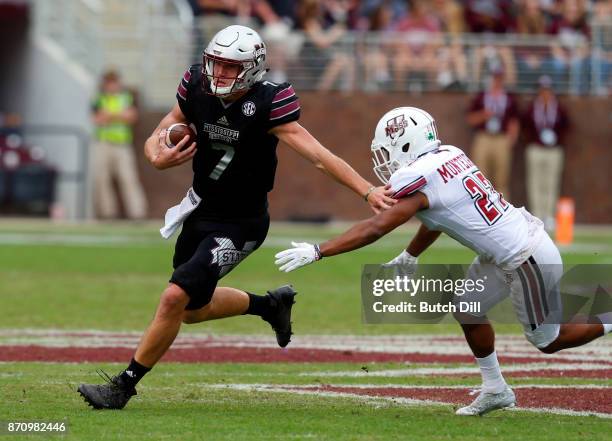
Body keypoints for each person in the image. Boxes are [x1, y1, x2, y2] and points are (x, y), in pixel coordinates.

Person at [77, 25, 394, 410]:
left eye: (229, 67)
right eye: (215, 64)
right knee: (192, 311)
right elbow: (162, 129)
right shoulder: (196, 83)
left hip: (241, 222)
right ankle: (270, 306)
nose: (218, 74)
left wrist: (366, 189)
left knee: (174, 296)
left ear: (253, 69)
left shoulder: (269, 101)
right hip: (200, 209)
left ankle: (122, 387)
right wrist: (154, 154)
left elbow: (317, 154)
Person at [274, 106, 611, 416]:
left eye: (389, 148)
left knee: (548, 341)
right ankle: (495, 389)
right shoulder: (450, 154)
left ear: (406, 144)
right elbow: (438, 215)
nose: (385, 157)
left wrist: (319, 250)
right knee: (467, 305)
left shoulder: (422, 176)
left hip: (525, 257)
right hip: (510, 248)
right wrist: (410, 254)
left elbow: (378, 227)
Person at [92, 70, 148, 219]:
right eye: (109, 82)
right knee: (101, 179)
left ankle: (137, 213)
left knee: (128, 178)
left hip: (122, 145)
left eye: (114, 82)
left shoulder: (126, 97)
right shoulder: (99, 98)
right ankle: (107, 213)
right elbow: (98, 119)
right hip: (103, 143)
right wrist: (120, 115)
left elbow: (132, 117)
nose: (112, 85)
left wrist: (110, 115)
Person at [466, 67, 519, 200]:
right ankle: (481, 205)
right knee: (480, 175)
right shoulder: (481, 96)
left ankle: (503, 208)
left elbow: (514, 119)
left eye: (499, 78)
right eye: (495, 78)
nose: (497, 81)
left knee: (502, 176)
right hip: (484, 137)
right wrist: (483, 115)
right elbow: (470, 118)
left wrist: (512, 138)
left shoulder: (509, 98)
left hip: (501, 138)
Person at [524, 75, 568, 231]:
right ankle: (537, 214)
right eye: (542, 90)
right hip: (536, 148)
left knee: (551, 182)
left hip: (553, 149)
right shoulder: (532, 107)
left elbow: (566, 125)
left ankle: (549, 215)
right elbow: (526, 125)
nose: (545, 93)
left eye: (548, 90)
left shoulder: (558, 108)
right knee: (535, 182)